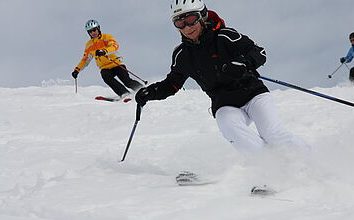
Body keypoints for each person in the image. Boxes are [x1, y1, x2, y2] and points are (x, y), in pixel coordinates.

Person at [136, 0, 307, 167]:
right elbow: (172, 84)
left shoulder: (225, 36)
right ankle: (271, 169)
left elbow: (258, 52)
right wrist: (151, 92)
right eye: (179, 22)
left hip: (253, 94)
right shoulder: (182, 55)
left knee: (272, 133)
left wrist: (245, 64)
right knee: (233, 131)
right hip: (224, 103)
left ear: (202, 16)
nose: (186, 27)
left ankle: (311, 160)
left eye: (190, 19)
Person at [72, 20, 143, 98]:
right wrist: (77, 70)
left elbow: (115, 46)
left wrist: (104, 51)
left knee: (126, 81)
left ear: (98, 29)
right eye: (90, 31)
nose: (93, 33)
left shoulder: (107, 37)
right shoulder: (89, 45)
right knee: (105, 76)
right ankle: (124, 94)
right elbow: (85, 60)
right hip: (105, 67)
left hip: (116, 63)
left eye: (94, 30)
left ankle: (142, 90)